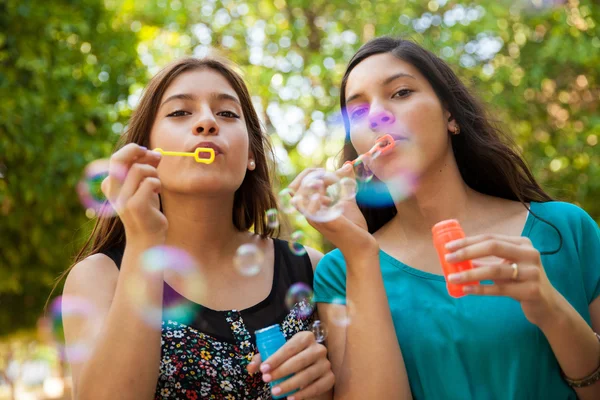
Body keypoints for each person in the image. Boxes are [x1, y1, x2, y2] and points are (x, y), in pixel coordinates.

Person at [290, 37, 600, 399]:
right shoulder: (342, 270)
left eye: (401, 92)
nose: (376, 116)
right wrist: (361, 254)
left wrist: (551, 309)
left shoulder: (565, 229)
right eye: (357, 112)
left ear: (450, 115)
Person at [60, 57, 334, 400]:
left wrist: (325, 389)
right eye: (180, 113)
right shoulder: (100, 278)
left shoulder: (313, 268)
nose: (207, 122)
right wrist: (144, 239)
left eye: (227, 114)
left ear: (250, 155)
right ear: (146, 151)